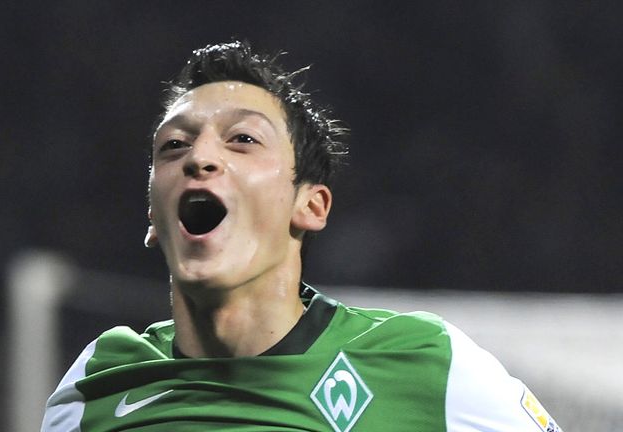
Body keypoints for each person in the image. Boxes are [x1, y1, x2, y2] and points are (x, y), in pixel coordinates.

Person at [41, 41, 562, 432]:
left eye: (243, 139)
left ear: (310, 206)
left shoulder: (423, 364)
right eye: (174, 145)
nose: (199, 157)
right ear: (154, 217)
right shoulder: (97, 381)